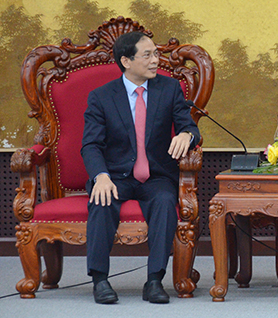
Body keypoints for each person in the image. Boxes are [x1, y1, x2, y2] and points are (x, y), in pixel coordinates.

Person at [81, 31, 200, 304]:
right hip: (114, 175)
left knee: (165, 200)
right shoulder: (101, 97)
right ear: (126, 61)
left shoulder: (169, 89)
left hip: (156, 175)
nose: (155, 60)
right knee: (102, 199)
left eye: (156, 54)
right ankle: (100, 280)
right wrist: (100, 176)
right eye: (147, 55)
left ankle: (155, 280)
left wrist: (186, 135)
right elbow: (91, 145)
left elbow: (190, 127)